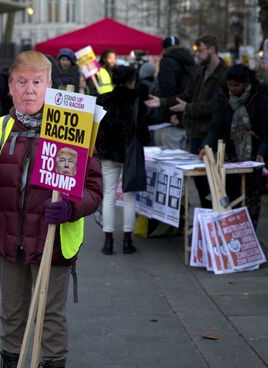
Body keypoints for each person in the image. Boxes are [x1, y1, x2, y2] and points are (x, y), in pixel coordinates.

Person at [0, 50, 102, 367]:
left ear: (49, 85)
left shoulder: (74, 127)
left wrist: (70, 208)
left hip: (54, 239)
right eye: (21, 81)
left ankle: (52, 361)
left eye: (37, 82)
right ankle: (11, 360)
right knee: (12, 311)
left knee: (49, 316)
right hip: (10, 236)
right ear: (10, 85)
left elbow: (94, 188)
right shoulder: (3, 127)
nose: (29, 89)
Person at [146, 35, 228, 209]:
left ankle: (215, 217)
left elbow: (216, 105)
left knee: (213, 182)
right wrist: (163, 102)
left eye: (201, 50)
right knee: (199, 182)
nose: (197, 54)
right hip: (195, 133)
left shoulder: (224, 74)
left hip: (212, 134)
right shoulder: (199, 72)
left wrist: (188, 108)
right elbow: (186, 96)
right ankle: (205, 219)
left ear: (212, 50)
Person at [201, 64, 268, 227]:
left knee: (251, 200)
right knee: (229, 199)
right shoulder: (222, 97)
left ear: (246, 83)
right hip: (228, 155)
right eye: (230, 84)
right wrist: (205, 147)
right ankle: (231, 237)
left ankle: (249, 237)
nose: (232, 89)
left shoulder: (259, 97)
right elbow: (215, 127)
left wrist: (261, 152)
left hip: (252, 155)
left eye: (236, 85)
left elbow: (266, 132)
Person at [96, 65, 150, 255]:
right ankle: (127, 240)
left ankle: (108, 241)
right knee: (129, 197)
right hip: (130, 154)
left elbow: (97, 129)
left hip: (109, 153)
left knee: (109, 195)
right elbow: (143, 132)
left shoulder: (103, 100)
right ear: (130, 81)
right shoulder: (137, 101)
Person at [155, 36, 195, 149]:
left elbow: (167, 89)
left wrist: (172, 113)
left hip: (174, 116)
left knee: (172, 155)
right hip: (188, 112)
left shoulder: (167, 61)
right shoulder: (190, 59)